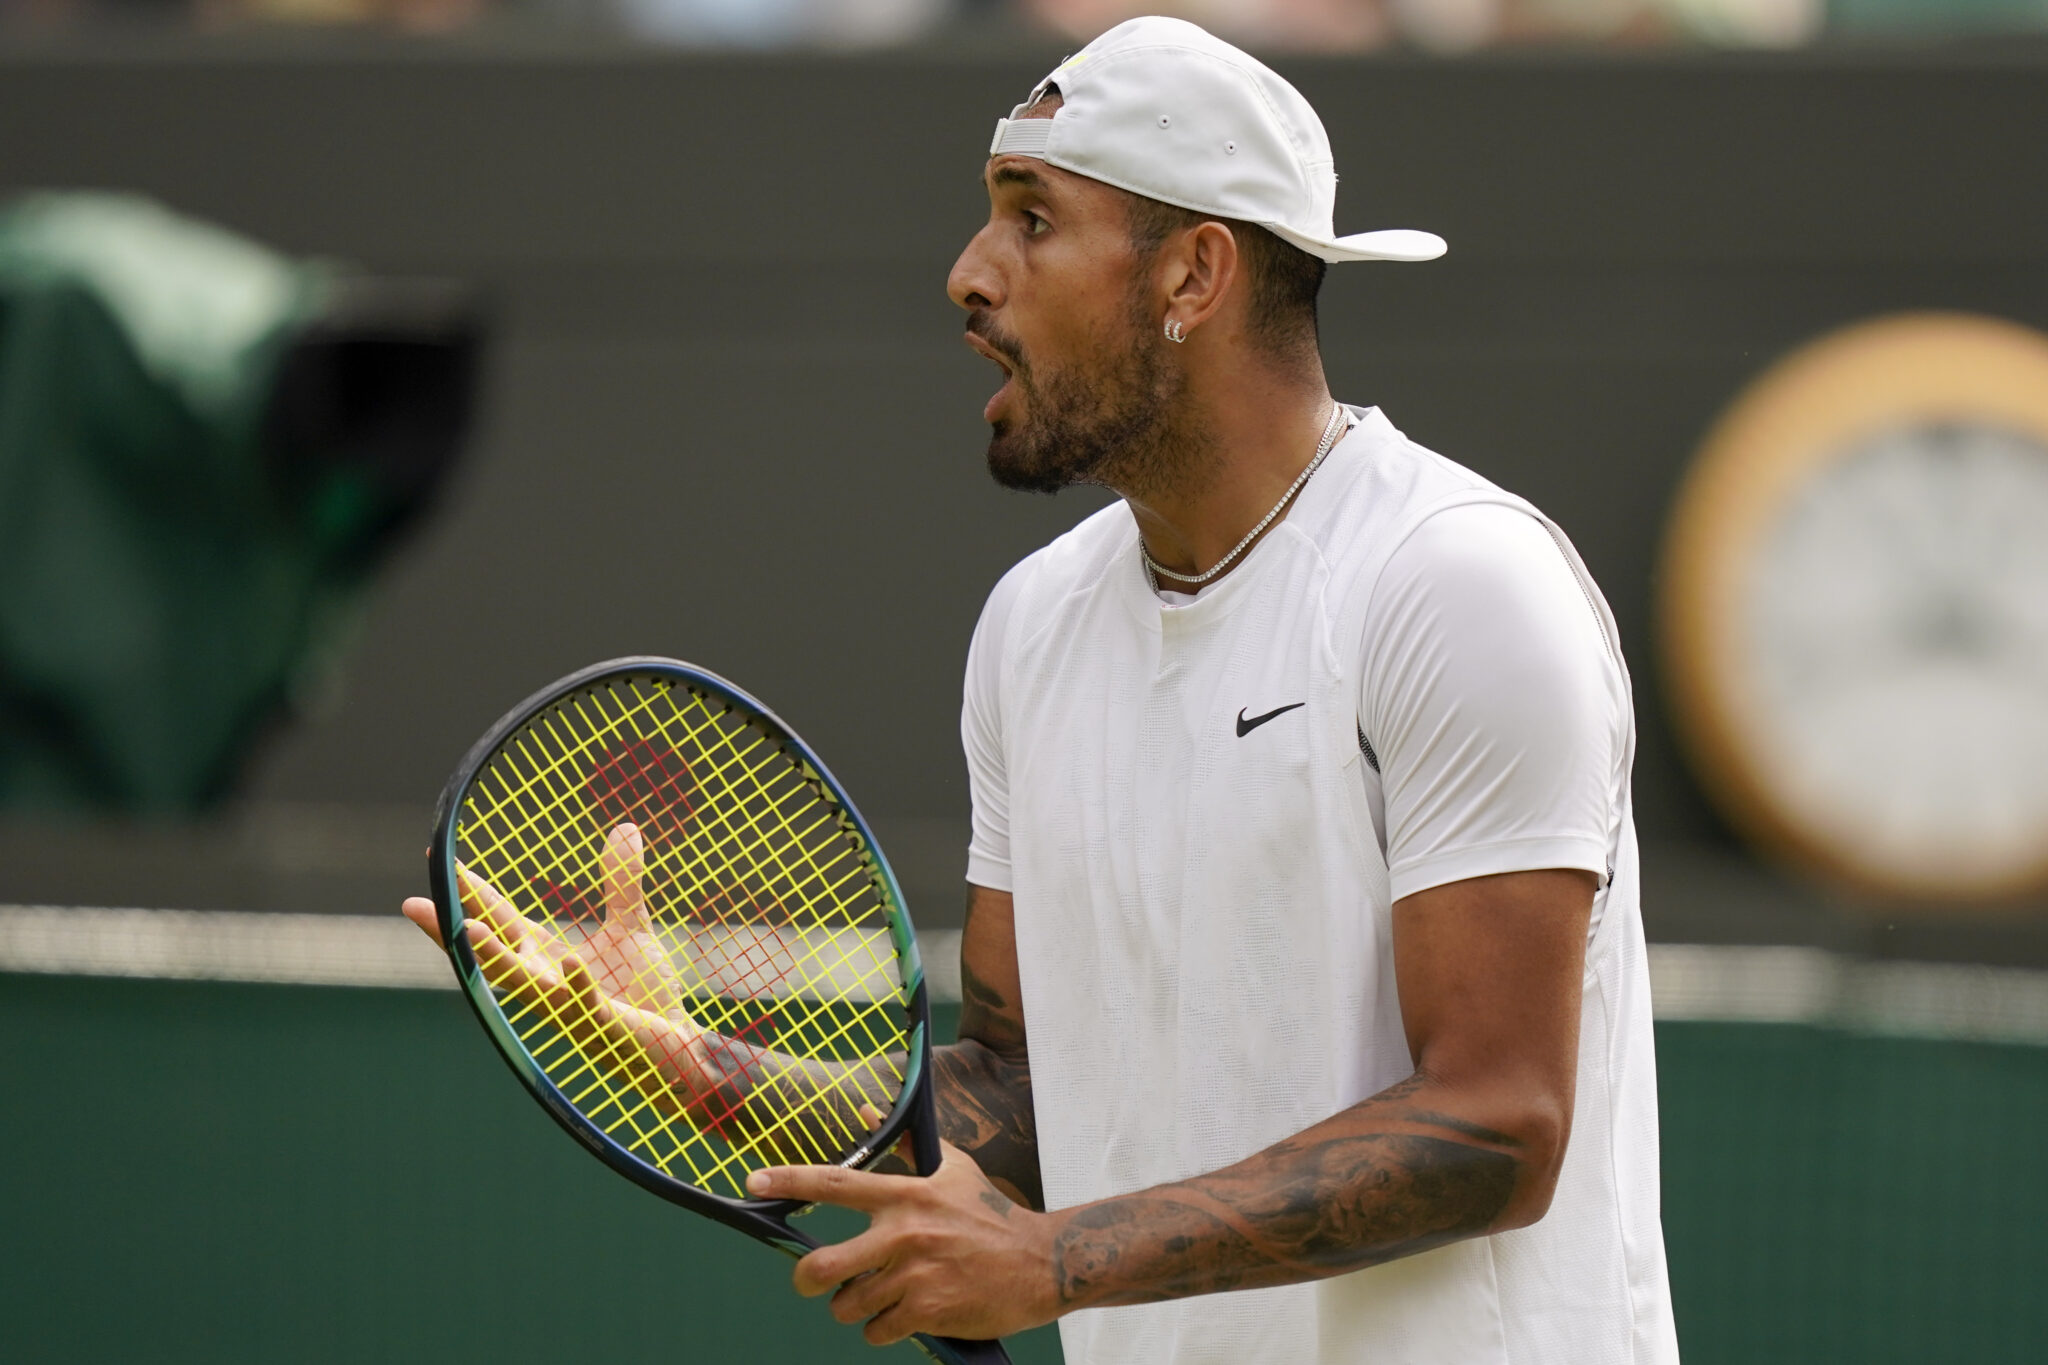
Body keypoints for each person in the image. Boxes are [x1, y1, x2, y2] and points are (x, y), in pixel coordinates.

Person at [406, 16, 1678, 1364]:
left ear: (1194, 272)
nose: (969, 275)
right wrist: (683, 1056)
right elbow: (1018, 1098)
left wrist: (1049, 1261)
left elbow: (1496, 1120)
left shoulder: (1456, 587)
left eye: (1032, 220)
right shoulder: (1034, 629)